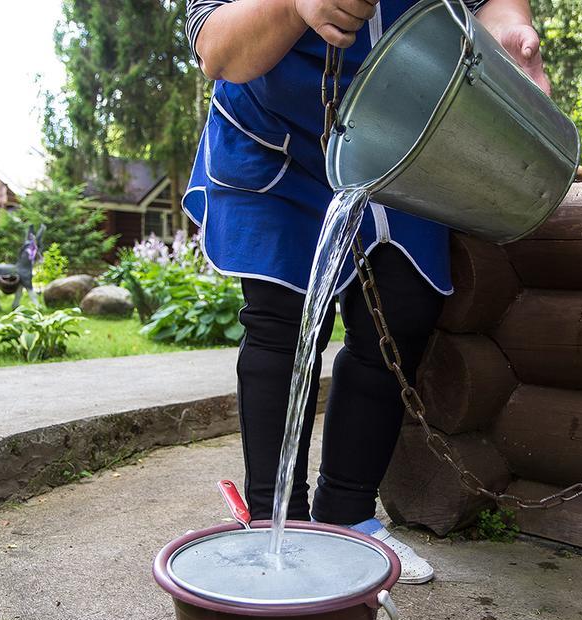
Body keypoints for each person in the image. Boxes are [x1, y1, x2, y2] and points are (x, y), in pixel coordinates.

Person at [183, 0, 550, 583]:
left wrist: (508, 31)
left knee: (401, 314)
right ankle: (275, 521)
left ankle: (348, 513)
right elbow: (216, 48)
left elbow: (493, 4)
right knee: (283, 318)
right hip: (276, 139)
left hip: (407, 140)